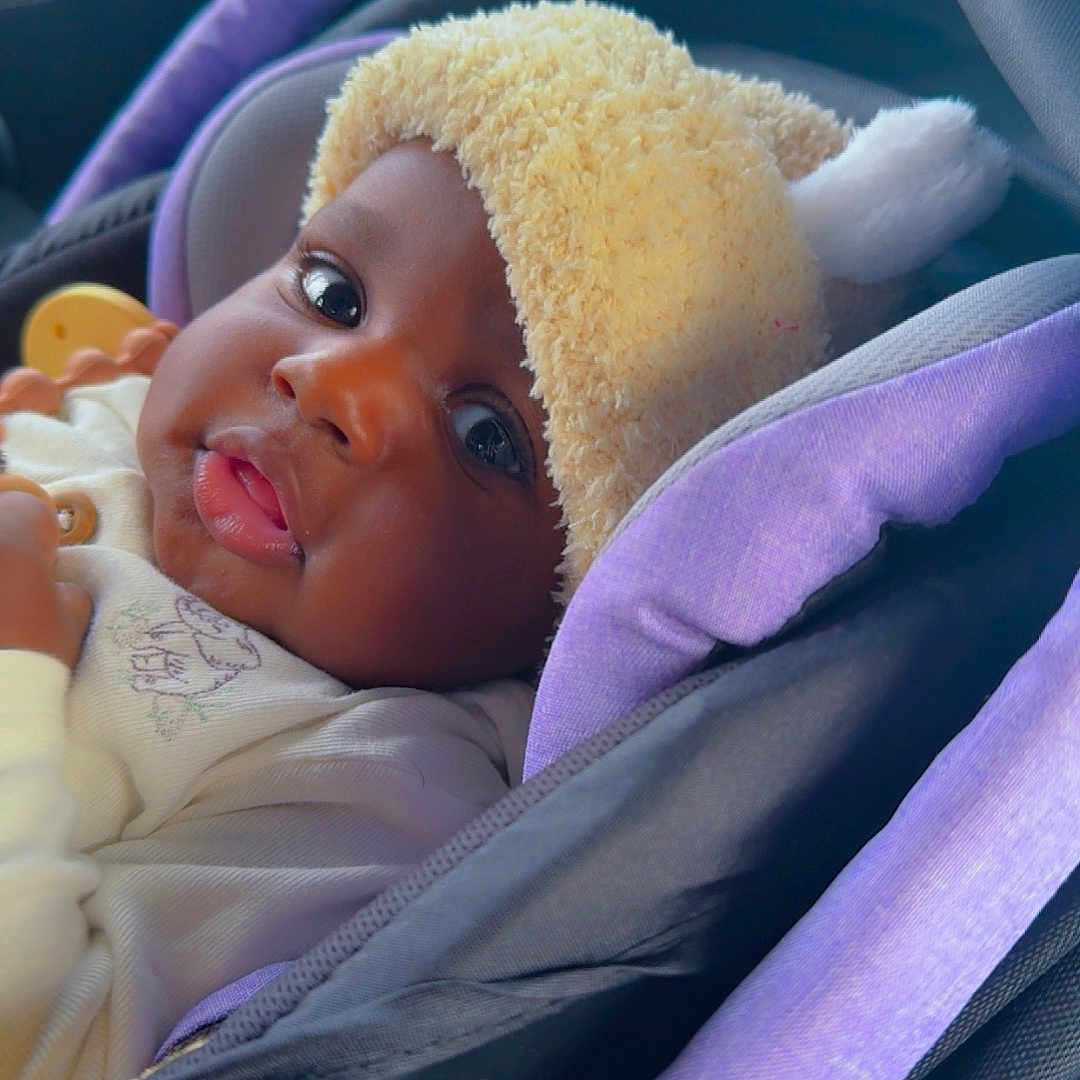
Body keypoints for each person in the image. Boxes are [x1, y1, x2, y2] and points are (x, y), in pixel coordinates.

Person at [0, 2, 1008, 1076]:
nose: (330, 383)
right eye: (332, 292)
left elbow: (57, 1037)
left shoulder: (365, 788)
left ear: (561, 610)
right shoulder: (132, 410)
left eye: (487, 437)